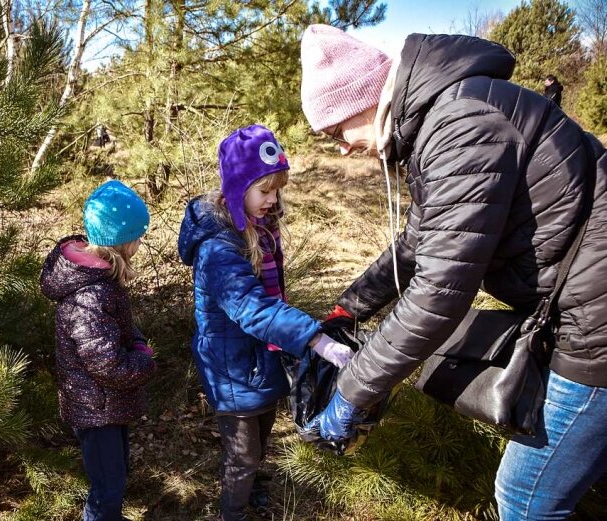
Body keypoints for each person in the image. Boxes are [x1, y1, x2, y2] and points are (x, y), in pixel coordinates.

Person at [299, 24, 607, 521]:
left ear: (363, 98)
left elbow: (439, 292)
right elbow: (418, 242)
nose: (340, 147)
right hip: (585, 298)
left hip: (597, 320)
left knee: (527, 496)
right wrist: (348, 307)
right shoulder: (446, 114)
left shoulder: (460, 125)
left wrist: (353, 392)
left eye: (336, 131)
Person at [177, 124, 355, 521]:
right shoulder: (218, 249)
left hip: (260, 358)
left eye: (277, 190)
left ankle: (254, 489)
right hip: (232, 367)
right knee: (243, 453)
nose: (272, 200)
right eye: (264, 190)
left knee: (261, 435)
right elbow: (251, 308)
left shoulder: (258, 230)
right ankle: (233, 512)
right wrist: (315, 339)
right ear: (237, 188)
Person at [40, 180, 156, 521]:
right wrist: (144, 362)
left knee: (115, 475)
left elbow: (116, 327)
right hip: (96, 405)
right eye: (137, 237)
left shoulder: (101, 281)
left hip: (106, 403)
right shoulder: (89, 295)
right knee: (107, 484)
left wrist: (135, 339)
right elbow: (107, 363)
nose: (139, 243)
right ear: (123, 242)